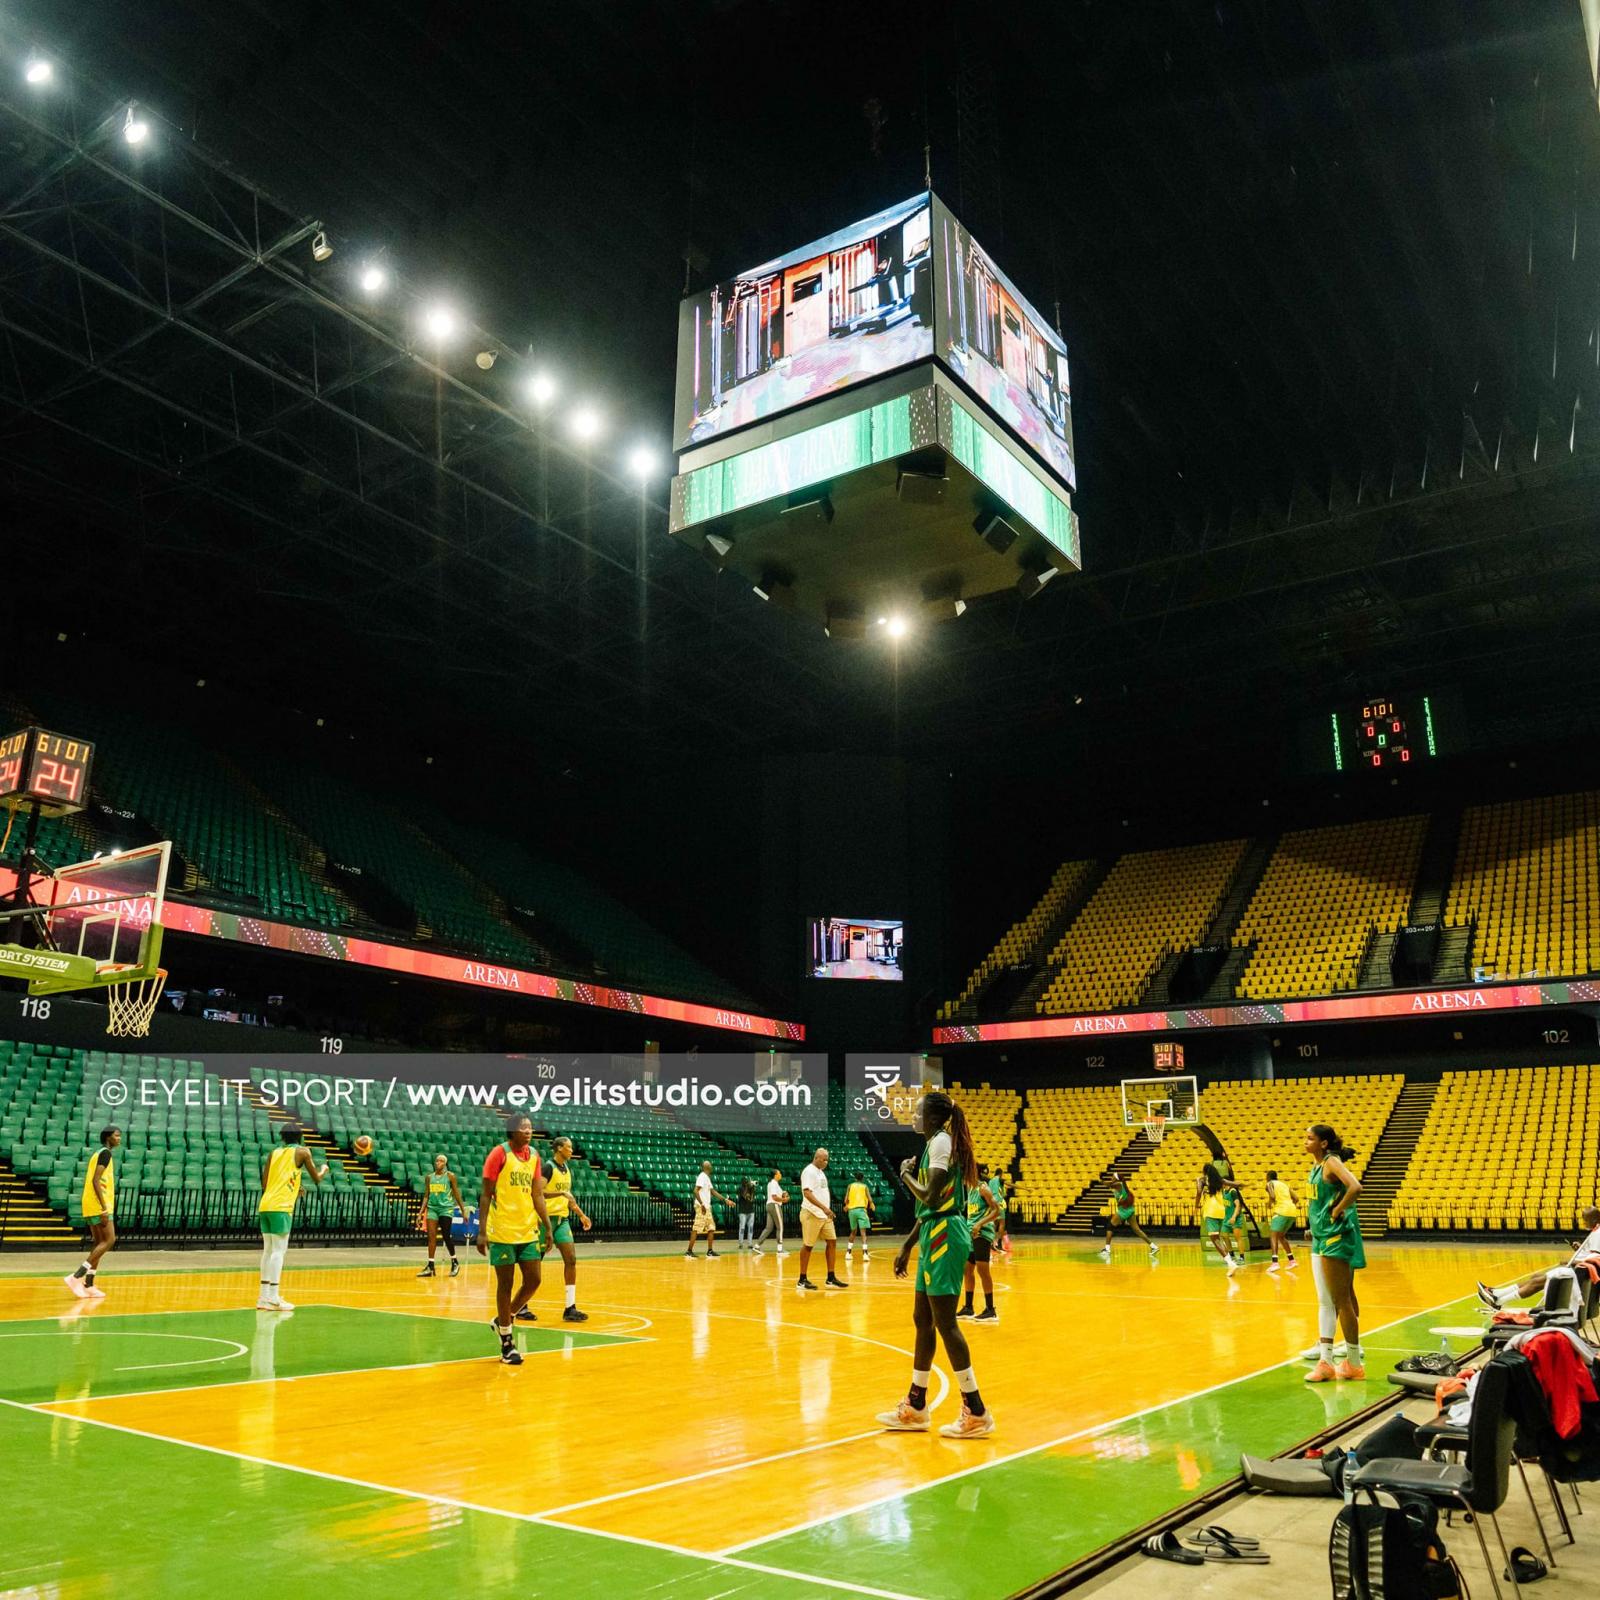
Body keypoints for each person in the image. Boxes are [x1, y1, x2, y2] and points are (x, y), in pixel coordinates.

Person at [876, 1089, 994, 1438]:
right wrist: (908, 1245)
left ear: (932, 1118)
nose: (913, 1116)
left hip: (945, 1232)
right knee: (922, 1319)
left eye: (917, 1112)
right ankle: (916, 1405)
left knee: (945, 1323)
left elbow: (929, 1196)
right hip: (932, 1230)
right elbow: (930, 1206)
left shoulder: (941, 1143)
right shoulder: (933, 1145)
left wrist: (905, 1176)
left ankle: (976, 1411)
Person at [476, 1114, 551, 1365]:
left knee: (534, 1279)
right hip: (503, 1230)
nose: (528, 1131)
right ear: (512, 1131)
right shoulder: (499, 1154)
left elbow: (537, 1194)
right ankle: (507, 1343)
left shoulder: (535, 1157)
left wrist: (548, 1226)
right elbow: (485, 1195)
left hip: (528, 1229)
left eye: (530, 1127)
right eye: (523, 1127)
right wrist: (482, 1230)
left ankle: (503, 1318)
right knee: (505, 1285)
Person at [1304, 1123, 1366, 1382]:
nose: (1305, 1142)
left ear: (1324, 1143)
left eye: (1310, 1138)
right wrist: (1313, 1226)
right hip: (1320, 1238)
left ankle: (1353, 1362)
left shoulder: (1331, 1162)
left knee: (1342, 1301)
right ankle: (1326, 1361)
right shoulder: (1316, 1167)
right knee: (1325, 1301)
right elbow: (1320, 1202)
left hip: (1335, 1238)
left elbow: (1355, 1187)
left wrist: (1338, 1210)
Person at [257, 1121, 327, 1311]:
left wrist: (296, 1187)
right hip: (281, 1206)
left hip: (266, 1204)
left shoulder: (274, 1153)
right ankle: (273, 1297)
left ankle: (263, 1297)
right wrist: (324, 1169)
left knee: (268, 1251)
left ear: (282, 1136)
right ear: (299, 1136)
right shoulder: (303, 1152)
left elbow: (266, 1182)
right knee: (279, 1251)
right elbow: (317, 1178)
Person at [1478, 1207, 1600, 1309]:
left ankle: (1498, 1301)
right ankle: (1497, 1293)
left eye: (1585, 1220)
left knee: (1536, 1282)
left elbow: (1595, 1259)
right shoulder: (1595, 1230)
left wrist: (1571, 1261)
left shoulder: (1598, 1233)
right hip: (1576, 1271)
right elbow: (1590, 1254)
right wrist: (1580, 1249)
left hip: (1577, 1275)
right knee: (1535, 1277)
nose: (1583, 1223)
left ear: (1594, 1219)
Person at [540, 1135, 593, 1322]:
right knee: (533, 1264)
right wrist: (560, 1193)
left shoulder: (566, 1169)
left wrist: (581, 1214)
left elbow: (568, 1198)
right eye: (569, 1147)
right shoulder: (548, 1167)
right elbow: (538, 1193)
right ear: (559, 1148)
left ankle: (570, 1307)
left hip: (562, 1220)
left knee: (571, 1259)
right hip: (545, 1220)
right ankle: (522, 1306)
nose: (572, 1150)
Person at [65, 1126, 121, 1299]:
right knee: (110, 1240)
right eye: (116, 1136)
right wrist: (104, 1207)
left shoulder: (98, 1154)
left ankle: (89, 1285)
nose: (119, 1138)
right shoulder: (105, 1153)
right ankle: (76, 1276)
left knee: (99, 1243)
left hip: (89, 1203)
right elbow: (96, 1180)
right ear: (107, 1138)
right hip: (98, 1204)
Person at [957, 1163, 1005, 1322]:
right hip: (971, 1234)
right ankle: (969, 1307)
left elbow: (996, 1210)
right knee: (967, 1270)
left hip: (982, 1234)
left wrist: (980, 1224)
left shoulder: (983, 1188)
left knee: (983, 1271)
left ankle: (991, 1310)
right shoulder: (970, 1189)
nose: (963, 1177)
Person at [796, 1148, 847, 1290]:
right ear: (816, 1158)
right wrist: (824, 1208)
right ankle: (802, 1279)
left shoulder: (821, 1173)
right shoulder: (809, 1171)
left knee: (832, 1242)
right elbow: (807, 1193)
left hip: (824, 1216)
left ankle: (831, 1277)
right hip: (812, 1213)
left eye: (827, 1159)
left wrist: (826, 1210)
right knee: (808, 1246)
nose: (826, 1162)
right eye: (824, 1159)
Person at [417, 1154, 466, 1278]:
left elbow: (457, 1194)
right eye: (437, 1160)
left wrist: (463, 1210)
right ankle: (431, 1266)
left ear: (445, 1164)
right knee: (431, 1237)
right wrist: (420, 1213)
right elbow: (426, 1196)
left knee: (445, 1235)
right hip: (432, 1209)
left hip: (446, 1209)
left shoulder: (450, 1176)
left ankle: (455, 1262)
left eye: (441, 1161)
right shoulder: (429, 1177)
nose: (438, 1162)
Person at [1098, 1167, 1158, 1261]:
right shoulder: (1120, 1185)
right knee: (1137, 1230)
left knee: (1110, 1226)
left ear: (1116, 1178)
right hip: (1130, 1210)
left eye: (1113, 1176)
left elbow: (1108, 1184)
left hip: (1124, 1211)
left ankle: (1107, 1249)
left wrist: (1099, 1181)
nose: (1111, 1177)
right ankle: (1153, 1246)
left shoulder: (1118, 1184)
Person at [1197, 1163, 1243, 1273]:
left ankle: (1230, 1263)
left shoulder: (1202, 1180)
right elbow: (1235, 1184)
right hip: (1221, 1211)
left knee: (1214, 1239)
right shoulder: (1220, 1180)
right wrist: (1245, 1184)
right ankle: (1230, 1259)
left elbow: (1199, 1192)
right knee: (1219, 1238)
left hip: (1210, 1211)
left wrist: (1196, 1204)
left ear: (1204, 1172)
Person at [686, 1160, 729, 1258]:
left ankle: (710, 1251)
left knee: (711, 1228)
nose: (712, 1166)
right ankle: (689, 1251)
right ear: (707, 1167)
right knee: (696, 1228)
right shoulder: (702, 1177)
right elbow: (695, 1191)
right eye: (710, 1165)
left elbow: (713, 1191)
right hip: (702, 1207)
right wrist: (702, 1204)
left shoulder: (707, 1178)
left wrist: (725, 1200)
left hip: (707, 1207)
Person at [1263, 1169, 1299, 1273]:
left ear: (1268, 1177)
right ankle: (1292, 1261)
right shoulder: (1284, 1185)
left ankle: (1275, 1263)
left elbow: (1273, 1196)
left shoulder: (1269, 1183)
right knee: (1281, 1236)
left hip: (1281, 1211)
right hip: (1292, 1211)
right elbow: (1296, 1198)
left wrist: (1269, 1203)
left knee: (1273, 1235)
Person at [754, 1169, 788, 1254]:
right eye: (779, 1173)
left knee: (768, 1228)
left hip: (769, 1206)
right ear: (775, 1175)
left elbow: (776, 1194)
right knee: (780, 1227)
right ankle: (780, 1249)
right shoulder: (773, 1183)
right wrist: (784, 1200)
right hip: (774, 1205)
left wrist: (783, 1193)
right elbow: (774, 1197)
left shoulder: (773, 1183)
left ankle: (757, 1246)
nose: (780, 1174)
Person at [843, 1171, 875, 1258]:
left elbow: (846, 1200)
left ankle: (848, 1253)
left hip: (852, 1211)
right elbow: (870, 1199)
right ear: (862, 1178)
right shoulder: (865, 1186)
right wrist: (872, 1204)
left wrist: (847, 1206)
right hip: (861, 1210)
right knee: (863, 1233)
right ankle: (865, 1254)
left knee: (853, 1232)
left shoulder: (850, 1186)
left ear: (855, 1178)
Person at [736, 1175, 758, 1249]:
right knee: (742, 1228)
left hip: (751, 1210)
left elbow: (752, 1197)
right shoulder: (740, 1188)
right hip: (742, 1211)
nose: (746, 1182)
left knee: (751, 1228)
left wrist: (753, 1187)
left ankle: (750, 1243)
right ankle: (741, 1243)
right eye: (745, 1181)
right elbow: (744, 1195)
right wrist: (748, 1186)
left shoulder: (750, 1188)